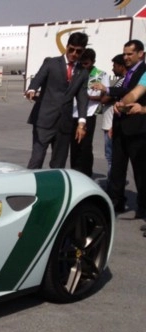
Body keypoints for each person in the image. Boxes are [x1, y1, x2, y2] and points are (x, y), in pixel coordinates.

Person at [24, 32, 90, 169]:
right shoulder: (51, 63)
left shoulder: (83, 72)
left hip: (64, 123)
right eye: (71, 49)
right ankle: (30, 186)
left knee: (58, 163)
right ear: (66, 47)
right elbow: (38, 78)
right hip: (44, 119)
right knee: (37, 159)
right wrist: (32, 89)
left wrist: (81, 122)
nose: (74, 54)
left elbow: (82, 98)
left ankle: (54, 188)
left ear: (83, 51)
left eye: (78, 51)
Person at [108, 40, 146, 217]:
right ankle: (116, 202)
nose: (126, 57)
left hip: (138, 129)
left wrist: (143, 109)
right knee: (117, 167)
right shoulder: (131, 74)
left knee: (140, 171)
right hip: (122, 127)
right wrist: (122, 104)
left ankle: (143, 208)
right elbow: (134, 93)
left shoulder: (142, 70)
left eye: (130, 54)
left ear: (141, 54)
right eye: (125, 54)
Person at [68, 48, 108, 178]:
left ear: (93, 62)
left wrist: (88, 97)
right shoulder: (76, 72)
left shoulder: (101, 75)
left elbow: (106, 96)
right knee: (74, 145)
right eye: (81, 63)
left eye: (86, 63)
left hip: (89, 114)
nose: (83, 66)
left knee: (85, 145)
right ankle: (75, 172)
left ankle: (86, 174)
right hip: (73, 113)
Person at [97, 55, 126, 180]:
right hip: (110, 123)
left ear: (121, 66)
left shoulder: (121, 82)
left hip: (111, 124)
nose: (113, 69)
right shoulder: (121, 81)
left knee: (111, 157)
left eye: (114, 66)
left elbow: (104, 99)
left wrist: (104, 89)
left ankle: (112, 184)